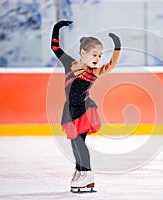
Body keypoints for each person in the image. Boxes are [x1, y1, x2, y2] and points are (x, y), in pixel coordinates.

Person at [50, 20, 121, 191]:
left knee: (80, 142)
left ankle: (87, 174)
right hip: (70, 109)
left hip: (84, 109)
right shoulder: (70, 64)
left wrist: (117, 46)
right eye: (94, 54)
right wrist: (56, 28)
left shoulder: (94, 71)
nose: (98, 58)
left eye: (100, 55)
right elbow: (55, 48)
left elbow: (111, 64)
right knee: (75, 142)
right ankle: (79, 170)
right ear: (83, 52)